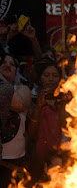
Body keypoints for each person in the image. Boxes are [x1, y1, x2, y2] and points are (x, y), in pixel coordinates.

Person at [26, 59, 63, 182]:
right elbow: (31, 132)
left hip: (60, 157)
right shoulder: (33, 100)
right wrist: (38, 107)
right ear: (40, 78)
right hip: (39, 157)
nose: (51, 79)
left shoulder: (67, 101)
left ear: (59, 79)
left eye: (55, 76)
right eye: (47, 75)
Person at [0, 53, 31, 188]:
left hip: (14, 164)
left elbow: (19, 104)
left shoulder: (22, 89)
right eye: (4, 63)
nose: (7, 65)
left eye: (12, 64)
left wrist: (3, 83)